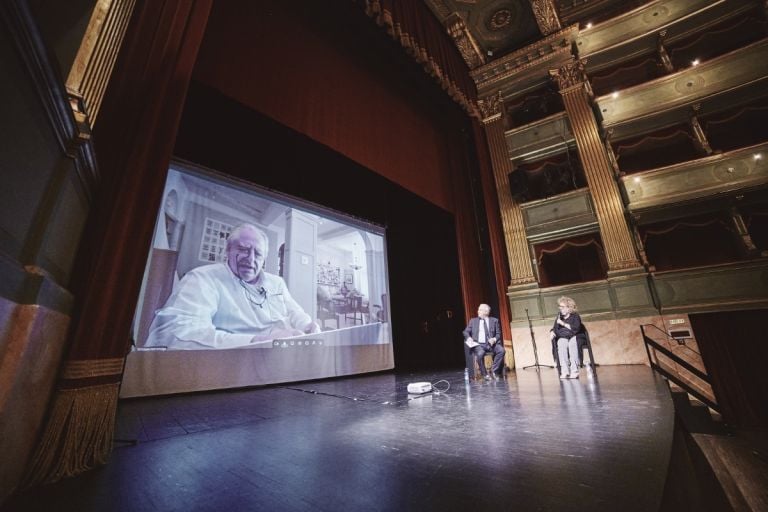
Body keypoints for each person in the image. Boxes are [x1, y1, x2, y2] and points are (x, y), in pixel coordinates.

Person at [145, 223, 320, 349]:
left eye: (258, 254)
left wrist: (307, 326)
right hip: (236, 365)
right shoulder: (203, 278)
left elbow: (294, 312)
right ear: (227, 250)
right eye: (243, 249)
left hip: (284, 358)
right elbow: (174, 333)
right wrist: (259, 341)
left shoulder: (277, 283)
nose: (251, 259)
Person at [463, 304, 505, 380]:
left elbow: (498, 334)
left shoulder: (494, 320)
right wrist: (468, 337)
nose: (478, 311)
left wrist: (494, 339)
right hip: (479, 344)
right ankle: (485, 374)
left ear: (486, 311)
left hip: (491, 344)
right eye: (478, 309)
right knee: (480, 353)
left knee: (501, 350)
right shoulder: (473, 321)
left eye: (480, 309)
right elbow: (465, 332)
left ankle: (494, 371)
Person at [550, 296, 582, 379]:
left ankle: (574, 371)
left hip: (574, 335)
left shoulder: (575, 316)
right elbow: (555, 327)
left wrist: (563, 324)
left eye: (563, 307)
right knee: (561, 343)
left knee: (572, 343)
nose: (561, 309)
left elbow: (576, 328)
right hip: (563, 336)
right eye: (560, 307)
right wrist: (552, 332)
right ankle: (565, 371)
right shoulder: (559, 316)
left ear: (569, 308)